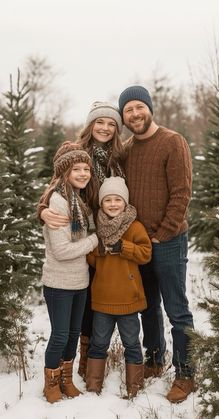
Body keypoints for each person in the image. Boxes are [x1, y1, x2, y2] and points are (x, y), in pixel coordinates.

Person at [38, 102, 125, 381]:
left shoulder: (118, 158)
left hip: (106, 235)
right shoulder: (77, 155)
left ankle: (88, 361)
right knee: (80, 313)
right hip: (84, 239)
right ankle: (78, 367)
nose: (105, 128)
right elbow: (54, 188)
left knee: (93, 301)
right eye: (99, 122)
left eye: (111, 124)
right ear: (90, 125)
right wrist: (42, 211)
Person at [118, 85, 194, 403]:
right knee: (147, 306)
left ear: (150, 108)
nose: (135, 114)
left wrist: (162, 233)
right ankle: (153, 359)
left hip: (168, 240)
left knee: (176, 309)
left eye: (139, 107)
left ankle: (186, 372)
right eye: (128, 110)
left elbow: (181, 193)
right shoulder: (125, 149)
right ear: (123, 116)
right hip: (139, 243)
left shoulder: (172, 142)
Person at [40, 141, 98, 403]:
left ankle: (66, 378)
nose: (84, 173)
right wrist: (95, 241)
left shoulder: (79, 199)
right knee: (60, 334)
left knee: (74, 333)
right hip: (59, 282)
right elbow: (62, 250)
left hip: (80, 281)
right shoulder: (58, 201)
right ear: (65, 173)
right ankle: (51, 383)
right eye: (77, 169)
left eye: (86, 168)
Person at [85, 177, 152, 398]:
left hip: (128, 300)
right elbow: (92, 259)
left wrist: (124, 247)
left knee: (131, 344)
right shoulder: (98, 227)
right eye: (108, 200)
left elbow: (145, 254)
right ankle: (93, 386)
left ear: (125, 203)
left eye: (117, 200)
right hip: (103, 299)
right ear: (101, 204)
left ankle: (135, 387)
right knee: (98, 343)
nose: (113, 204)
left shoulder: (134, 226)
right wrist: (99, 252)